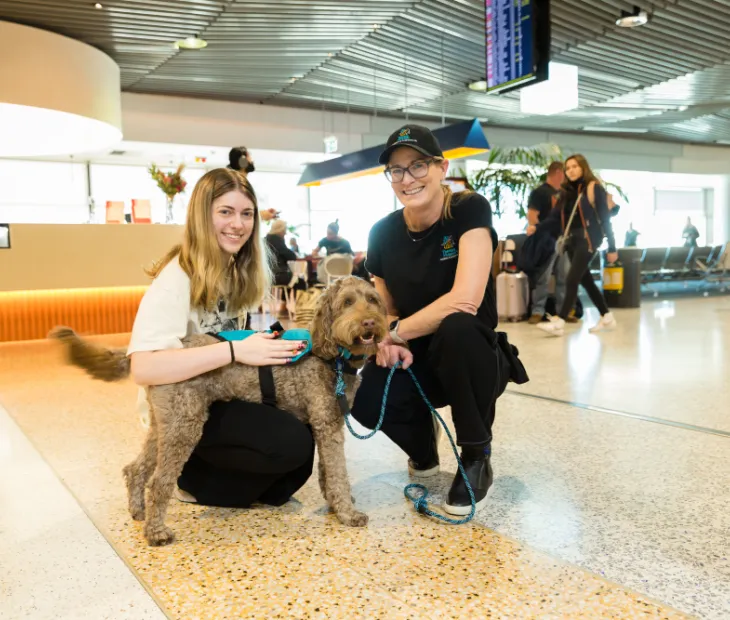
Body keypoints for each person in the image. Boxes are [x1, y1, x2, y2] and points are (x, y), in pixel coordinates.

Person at [350, 124, 522, 516]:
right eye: (397, 170)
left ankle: (477, 456)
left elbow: (465, 300)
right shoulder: (382, 233)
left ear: (442, 168)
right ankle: (422, 447)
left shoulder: (467, 210)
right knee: (365, 394)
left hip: (472, 356)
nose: (407, 178)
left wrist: (396, 332)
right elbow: (387, 309)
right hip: (417, 359)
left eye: (418, 165)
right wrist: (389, 341)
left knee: (457, 327)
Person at [127, 168, 314, 508]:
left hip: (221, 394)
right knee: (291, 443)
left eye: (246, 214)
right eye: (225, 212)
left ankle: (221, 477)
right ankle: (189, 476)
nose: (238, 224)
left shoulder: (233, 271)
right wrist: (234, 350)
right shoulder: (176, 279)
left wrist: (259, 343)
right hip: (184, 406)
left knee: (297, 453)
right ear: (202, 216)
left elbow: (229, 337)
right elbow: (143, 368)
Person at [528, 154, 618, 336]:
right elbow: (554, 218)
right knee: (587, 281)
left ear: (583, 167)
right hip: (570, 241)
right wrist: (535, 228)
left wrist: (612, 247)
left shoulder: (594, 188)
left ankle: (559, 322)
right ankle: (606, 316)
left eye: (575, 166)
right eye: (568, 168)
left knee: (571, 278)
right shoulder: (566, 193)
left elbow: (606, 219)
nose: (571, 170)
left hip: (588, 240)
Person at [526, 161, 566, 324]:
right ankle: (538, 311)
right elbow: (532, 214)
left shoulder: (564, 194)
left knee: (564, 276)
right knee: (544, 276)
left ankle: (563, 311)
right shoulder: (540, 192)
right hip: (546, 240)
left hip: (563, 240)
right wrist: (537, 231)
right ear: (558, 173)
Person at [265, 219, 306, 292]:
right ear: (280, 230)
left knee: (295, 280)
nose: (285, 233)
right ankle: (294, 302)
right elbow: (290, 256)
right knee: (301, 282)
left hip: (267, 275)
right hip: (277, 275)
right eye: (284, 231)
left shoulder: (266, 239)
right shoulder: (276, 240)